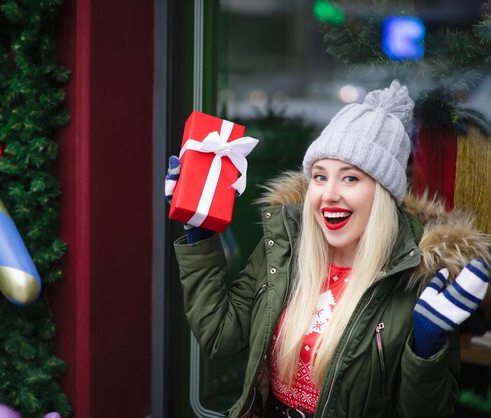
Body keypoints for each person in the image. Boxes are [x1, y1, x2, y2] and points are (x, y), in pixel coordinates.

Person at [166, 80, 491, 418]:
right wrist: (199, 233)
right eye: (320, 177)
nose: (329, 194)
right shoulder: (285, 249)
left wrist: (426, 350)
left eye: (350, 178)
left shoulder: (415, 280)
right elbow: (220, 334)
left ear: (383, 194)